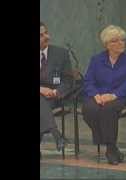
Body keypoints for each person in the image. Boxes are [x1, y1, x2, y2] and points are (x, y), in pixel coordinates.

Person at [82, 25, 126, 165]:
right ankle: (112, 146)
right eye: (115, 41)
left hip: (119, 97)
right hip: (98, 96)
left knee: (108, 110)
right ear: (107, 44)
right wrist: (95, 95)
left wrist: (113, 95)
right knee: (89, 109)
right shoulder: (96, 60)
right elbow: (88, 80)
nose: (121, 43)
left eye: (122, 40)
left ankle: (110, 149)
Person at [40, 22, 72, 157]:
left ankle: (57, 135)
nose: (47, 36)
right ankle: (56, 134)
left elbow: (68, 80)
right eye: (41, 35)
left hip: (55, 97)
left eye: (46, 32)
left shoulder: (61, 53)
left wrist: (56, 92)